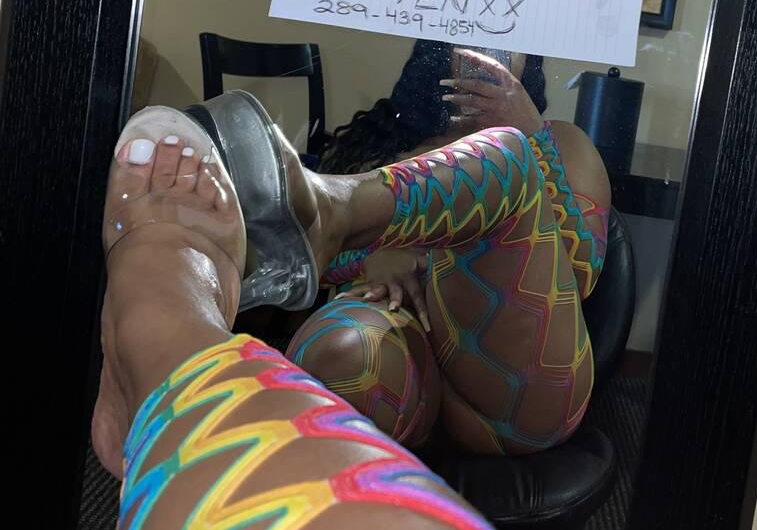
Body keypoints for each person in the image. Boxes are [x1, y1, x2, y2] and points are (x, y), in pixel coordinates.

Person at [93, 109, 494, 530]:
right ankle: (157, 354)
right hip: (394, 335)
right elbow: (325, 268)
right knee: (350, 347)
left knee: (509, 151)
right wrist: (378, 256)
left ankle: (151, 328)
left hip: (490, 371)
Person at [285, 43, 611, 456]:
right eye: (467, 33)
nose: (486, 53)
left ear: (530, 58)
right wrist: (376, 257)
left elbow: (578, 277)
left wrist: (534, 139)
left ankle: (341, 208)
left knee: (503, 157)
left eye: (506, 37)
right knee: (343, 350)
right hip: (403, 358)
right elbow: (312, 263)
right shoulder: (388, 141)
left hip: (507, 377)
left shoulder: (561, 145)